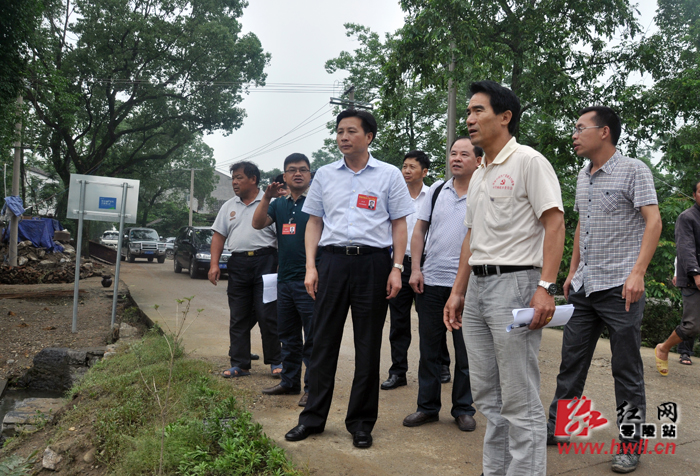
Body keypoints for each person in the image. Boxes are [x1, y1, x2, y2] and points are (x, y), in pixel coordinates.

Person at [444, 80, 565, 476]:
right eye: (468, 112)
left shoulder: (529, 161)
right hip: (477, 288)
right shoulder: (479, 173)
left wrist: (546, 288)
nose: (470, 118)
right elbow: (471, 236)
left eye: (478, 110)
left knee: (518, 397)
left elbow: (555, 223)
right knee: (487, 397)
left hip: (516, 285)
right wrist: (458, 291)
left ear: (505, 116)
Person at [284, 109, 413, 449]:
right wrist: (312, 267)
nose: (343, 136)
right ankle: (312, 419)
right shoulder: (325, 175)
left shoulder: (388, 175)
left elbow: (399, 224)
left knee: (368, 347)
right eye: (340, 131)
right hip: (333, 264)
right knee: (323, 342)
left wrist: (397, 268)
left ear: (368, 137)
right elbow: (314, 223)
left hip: (373, 264)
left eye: (351, 131)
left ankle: (360, 423)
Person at [547, 106, 661, 474]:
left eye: (581, 128)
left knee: (625, 369)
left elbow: (653, 220)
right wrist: (572, 267)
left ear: (605, 132)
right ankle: (560, 427)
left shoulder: (634, 170)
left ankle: (630, 445)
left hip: (620, 287)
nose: (575, 134)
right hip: (585, 285)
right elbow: (582, 221)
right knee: (571, 361)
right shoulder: (583, 175)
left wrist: (638, 273)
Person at [402, 137, 480, 432]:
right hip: (431, 281)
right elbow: (419, 231)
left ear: (478, 160)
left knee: (466, 351)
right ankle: (427, 407)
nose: (456, 158)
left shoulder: (483, 192)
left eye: (464, 154)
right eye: (453, 153)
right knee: (430, 349)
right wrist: (416, 269)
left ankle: (463, 408)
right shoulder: (436, 190)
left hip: (469, 284)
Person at [381, 151, 451, 391]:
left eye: (412, 167)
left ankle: (442, 364)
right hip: (399, 265)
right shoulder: (394, 196)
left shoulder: (434, 196)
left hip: (426, 266)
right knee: (398, 322)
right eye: (404, 166)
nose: (406, 170)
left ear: (425, 172)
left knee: (431, 320)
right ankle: (398, 371)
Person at [252, 153, 315, 406]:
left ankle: (313, 387)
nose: (297, 173)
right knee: (288, 335)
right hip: (285, 279)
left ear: (310, 174)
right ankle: (290, 382)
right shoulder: (278, 204)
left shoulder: (319, 201)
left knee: (313, 336)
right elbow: (257, 224)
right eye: (292, 170)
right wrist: (267, 196)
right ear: (285, 176)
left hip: (312, 279)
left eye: (303, 169)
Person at [209, 161, 282, 379]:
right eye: (233, 178)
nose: (234, 182)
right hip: (238, 264)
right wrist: (214, 264)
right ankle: (240, 364)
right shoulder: (228, 206)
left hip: (267, 262)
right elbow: (218, 236)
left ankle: (276, 361)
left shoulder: (272, 203)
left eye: (239, 177)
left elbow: (283, 237)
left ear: (253, 179)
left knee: (267, 313)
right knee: (238, 315)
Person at [654, 180, 700, 373]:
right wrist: (696, 274)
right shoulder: (687, 217)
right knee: (692, 326)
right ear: (695, 194)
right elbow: (685, 248)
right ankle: (663, 348)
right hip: (692, 280)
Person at [672, 258, 695, 365]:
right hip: (693, 279)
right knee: (691, 318)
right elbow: (682, 253)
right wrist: (677, 273)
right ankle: (685, 352)